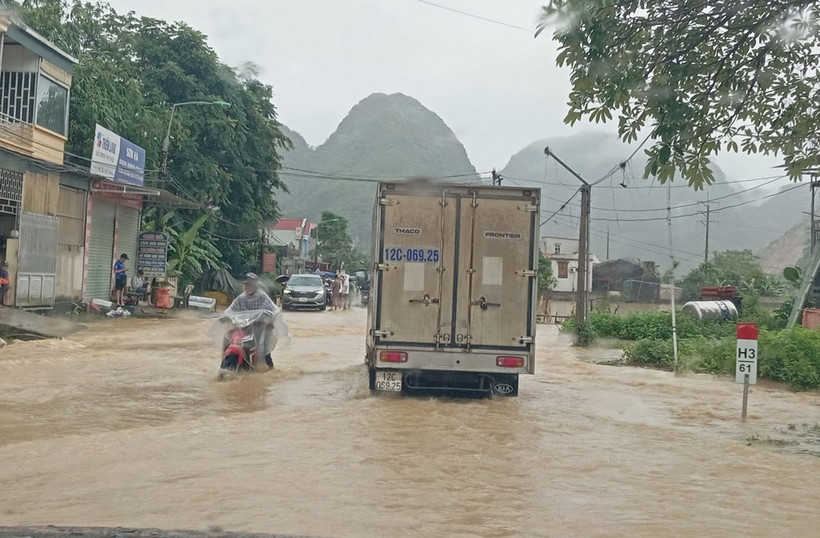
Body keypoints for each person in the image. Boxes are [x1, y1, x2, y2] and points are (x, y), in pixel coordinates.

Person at [224, 273, 286, 368]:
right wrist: (226, 319)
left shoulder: (262, 297)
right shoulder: (241, 298)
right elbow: (229, 311)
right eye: (247, 284)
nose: (249, 287)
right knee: (228, 341)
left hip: (260, 329)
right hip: (244, 328)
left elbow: (275, 311)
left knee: (264, 353)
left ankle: (270, 370)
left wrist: (270, 320)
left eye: (251, 284)